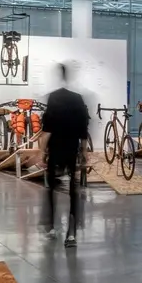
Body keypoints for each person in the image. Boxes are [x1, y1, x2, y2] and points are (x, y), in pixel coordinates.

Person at [39, 63, 91, 247]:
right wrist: (84, 151)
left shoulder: (53, 97)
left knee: (51, 187)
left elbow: (47, 128)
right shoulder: (77, 98)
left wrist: (42, 151)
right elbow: (83, 128)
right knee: (73, 190)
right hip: (71, 147)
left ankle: (52, 228)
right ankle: (71, 234)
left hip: (55, 148)